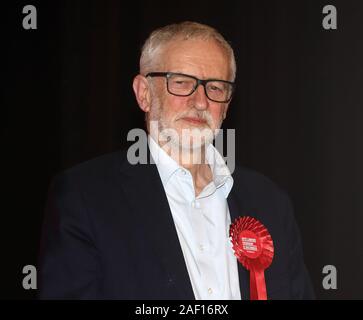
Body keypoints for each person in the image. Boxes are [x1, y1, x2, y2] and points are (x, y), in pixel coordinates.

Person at [38, 21, 314, 299]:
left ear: (227, 105)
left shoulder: (270, 202)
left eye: (216, 88)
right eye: (181, 83)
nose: (201, 101)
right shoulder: (85, 197)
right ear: (144, 93)